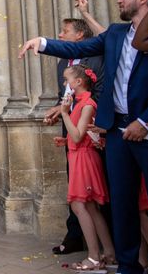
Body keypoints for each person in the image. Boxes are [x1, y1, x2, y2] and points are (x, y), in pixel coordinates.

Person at [19, 0, 148, 274]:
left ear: (144, 0)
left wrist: (146, 121)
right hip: (116, 128)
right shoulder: (115, 34)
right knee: (122, 202)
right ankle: (127, 266)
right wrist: (42, 43)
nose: (121, 0)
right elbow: (75, 50)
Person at [44, 17, 105, 256]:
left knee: (91, 191)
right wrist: (57, 113)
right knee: (76, 187)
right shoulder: (62, 64)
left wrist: (64, 112)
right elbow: (65, 99)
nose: (60, 34)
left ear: (80, 36)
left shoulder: (96, 59)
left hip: (90, 131)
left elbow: (98, 94)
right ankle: (76, 237)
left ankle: (101, 245)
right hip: (71, 131)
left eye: (65, 31)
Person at [55, 65, 115, 271]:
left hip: (84, 160)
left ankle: (94, 256)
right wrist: (65, 140)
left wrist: (63, 113)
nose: (65, 84)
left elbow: (79, 135)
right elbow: (79, 135)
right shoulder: (80, 103)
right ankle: (108, 253)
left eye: (66, 80)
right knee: (90, 207)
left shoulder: (87, 104)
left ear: (78, 82)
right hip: (79, 155)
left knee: (79, 206)